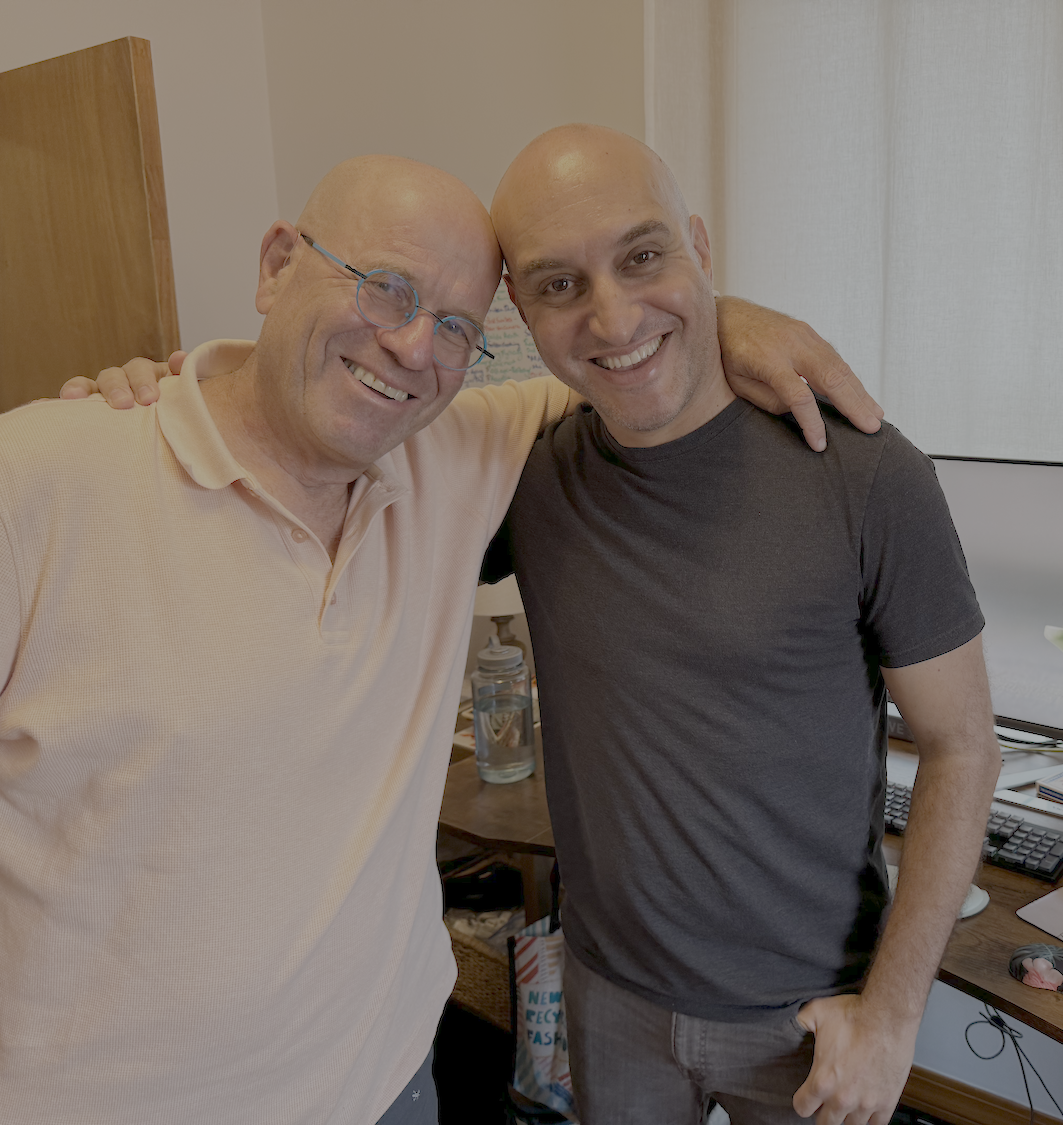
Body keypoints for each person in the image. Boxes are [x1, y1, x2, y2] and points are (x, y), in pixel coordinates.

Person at [6, 154, 880, 1125]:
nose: (414, 348)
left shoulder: (445, 454)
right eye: (385, 290)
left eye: (458, 326)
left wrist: (735, 316)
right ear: (276, 264)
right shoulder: (42, 479)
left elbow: (629, 350)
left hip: (386, 1089)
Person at [483, 125, 1003, 1125]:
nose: (613, 314)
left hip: (810, 1019)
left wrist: (893, 1018)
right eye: (559, 284)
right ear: (521, 310)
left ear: (701, 247)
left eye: (644, 256)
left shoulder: (866, 475)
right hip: (607, 998)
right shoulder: (522, 478)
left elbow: (963, 746)